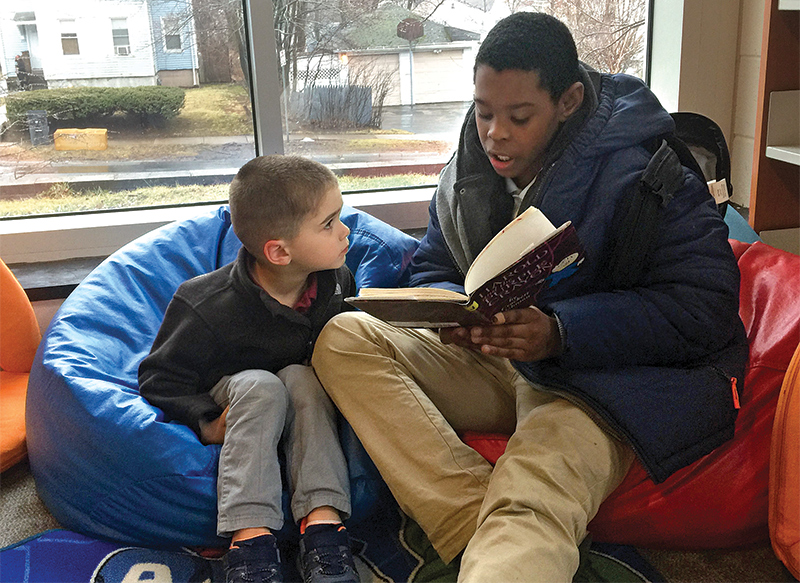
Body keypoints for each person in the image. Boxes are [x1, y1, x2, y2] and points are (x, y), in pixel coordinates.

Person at [312, 12, 748, 582]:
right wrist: (451, 314)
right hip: (502, 357)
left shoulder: (646, 169)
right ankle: (480, 526)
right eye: (484, 111)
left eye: (519, 117)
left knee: (535, 490)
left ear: (567, 101)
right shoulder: (470, 167)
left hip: (605, 377)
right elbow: (436, 266)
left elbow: (705, 308)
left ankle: (512, 538)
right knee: (342, 339)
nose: (494, 133)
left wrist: (560, 330)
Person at [139, 155, 360, 583]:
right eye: (329, 224)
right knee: (262, 386)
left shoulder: (337, 282)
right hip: (238, 393)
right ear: (279, 251)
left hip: (299, 396)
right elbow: (160, 377)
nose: (345, 231)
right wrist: (205, 420)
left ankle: (322, 521)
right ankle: (251, 536)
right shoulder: (205, 305)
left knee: (302, 378)